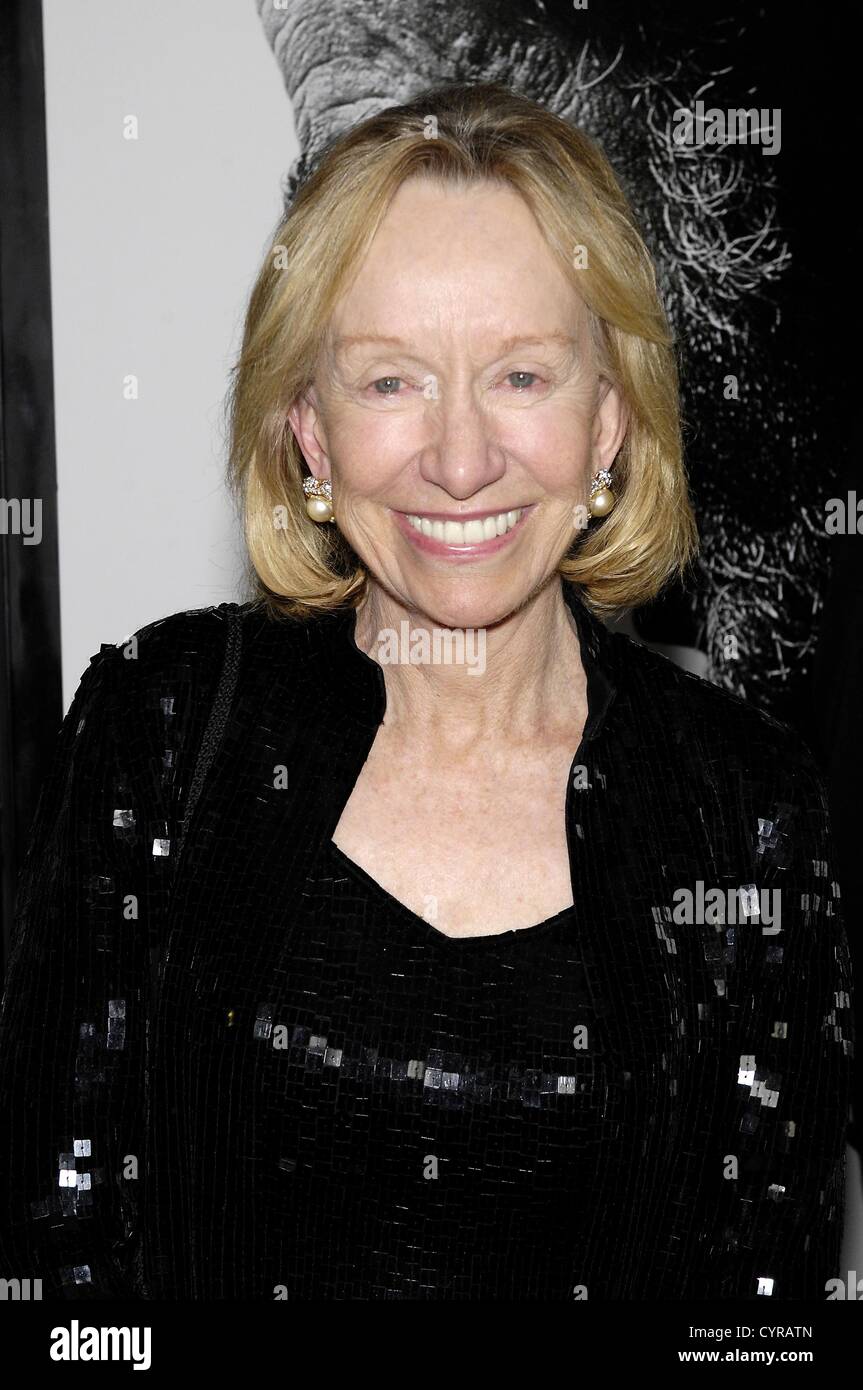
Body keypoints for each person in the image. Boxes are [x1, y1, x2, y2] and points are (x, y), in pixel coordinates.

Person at [0, 81, 853, 1301]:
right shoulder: (162, 730)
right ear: (307, 427)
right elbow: (54, 1271)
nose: (459, 462)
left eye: (521, 376)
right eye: (390, 381)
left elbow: (753, 1315)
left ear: (607, 419)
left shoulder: (746, 811)